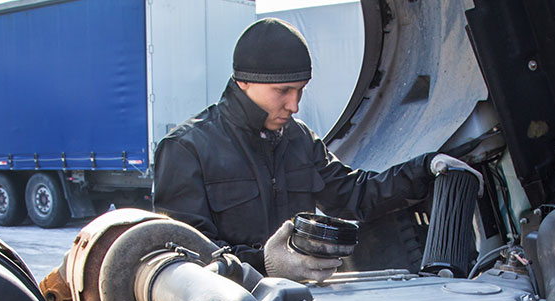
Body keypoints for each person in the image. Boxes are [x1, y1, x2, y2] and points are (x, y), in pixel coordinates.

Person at [152, 18, 479, 282]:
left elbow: (355, 195)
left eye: (300, 91)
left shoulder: (299, 140)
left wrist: (423, 169)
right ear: (243, 82)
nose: (294, 105)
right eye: (283, 91)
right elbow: (186, 260)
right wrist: (265, 264)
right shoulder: (186, 149)